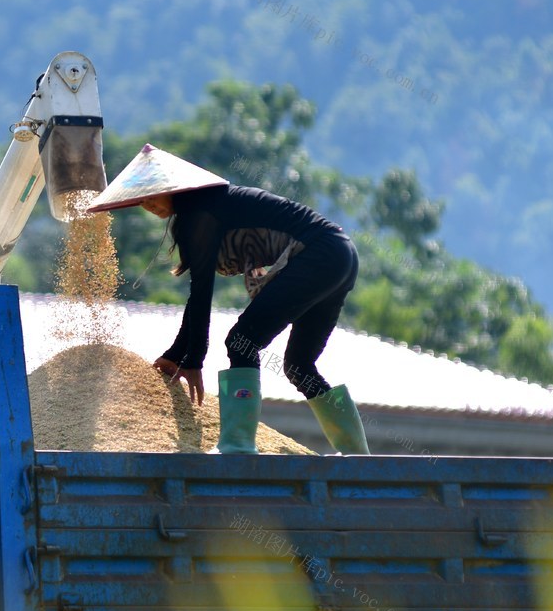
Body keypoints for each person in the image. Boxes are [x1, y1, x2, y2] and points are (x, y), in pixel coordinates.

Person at [88, 144, 370, 455]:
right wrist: (178, 355)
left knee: (241, 342)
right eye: (142, 199)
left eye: (153, 193)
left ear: (175, 188)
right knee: (298, 365)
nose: (149, 205)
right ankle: (357, 454)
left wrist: (194, 359)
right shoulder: (199, 212)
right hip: (341, 255)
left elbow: (201, 294)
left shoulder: (201, 212)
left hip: (320, 253)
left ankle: (237, 445)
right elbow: (198, 294)